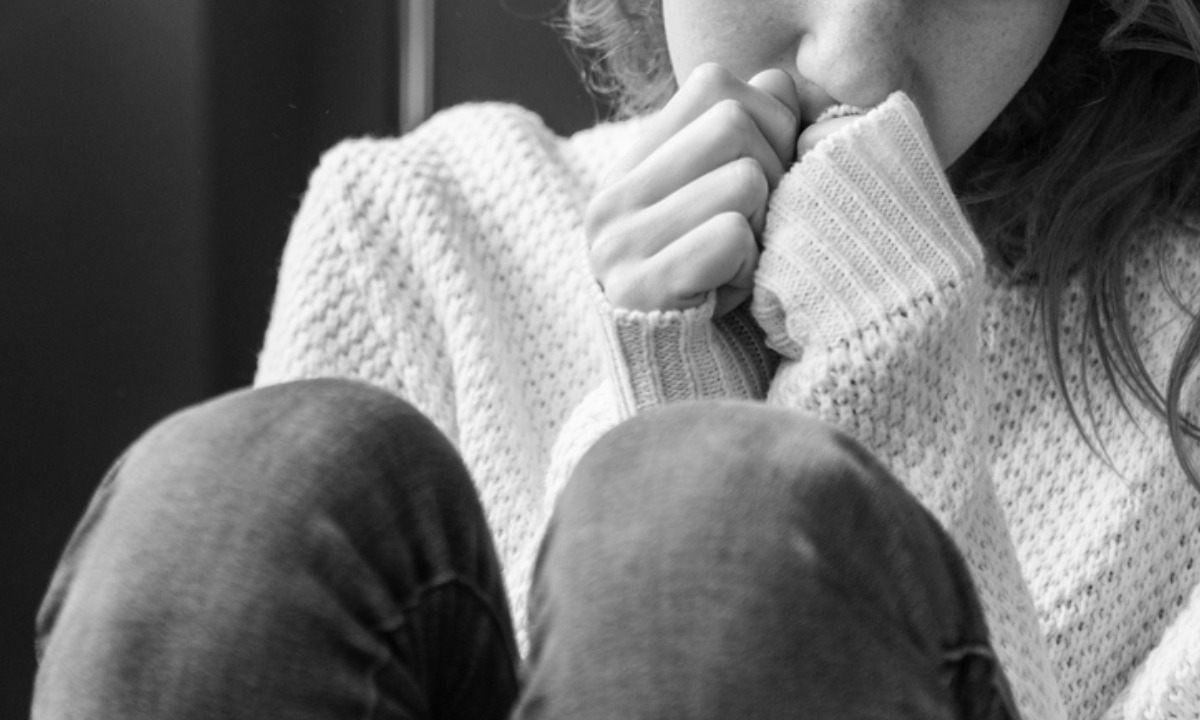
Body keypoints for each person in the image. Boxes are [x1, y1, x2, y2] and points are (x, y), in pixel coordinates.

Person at [31, 0, 1200, 717]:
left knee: (710, 508)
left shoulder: (1181, 332)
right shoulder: (422, 226)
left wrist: (890, 398)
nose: (855, 62)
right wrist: (652, 391)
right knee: (248, 483)